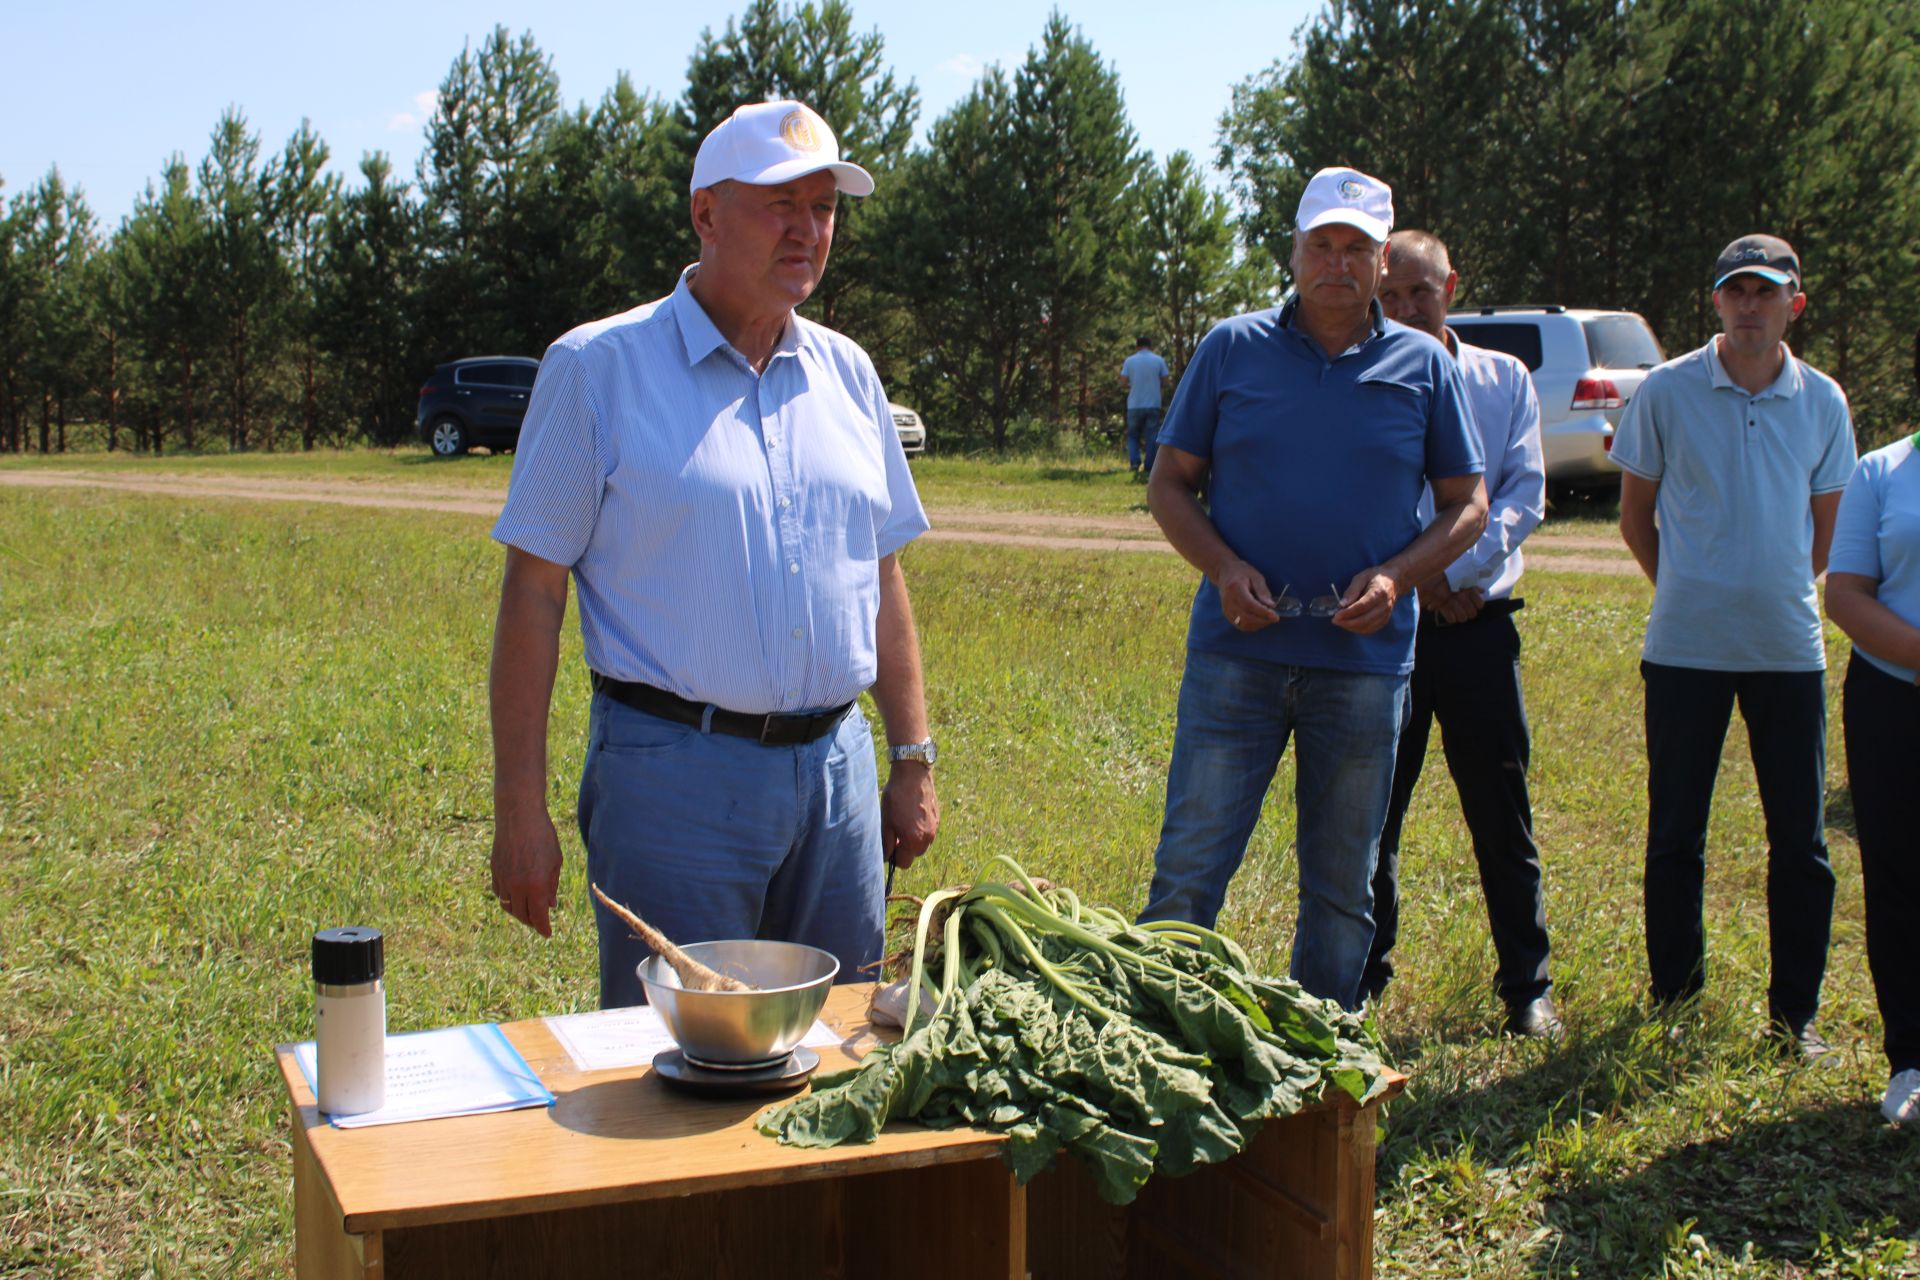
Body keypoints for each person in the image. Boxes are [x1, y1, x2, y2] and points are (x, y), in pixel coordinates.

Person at [487, 100, 940, 1009]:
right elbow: (533, 595)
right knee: (677, 1062)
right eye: (780, 204)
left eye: (823, 208)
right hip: (673, 780)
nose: (807, 230)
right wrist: (518, 809)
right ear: (705, 213)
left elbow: (881, 572)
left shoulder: (849, 374)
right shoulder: (597, 368)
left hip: (836, 778)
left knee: (840, 1044)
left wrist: (911, 759)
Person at [1138, 167, 1489, 1011]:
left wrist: (1400, 577)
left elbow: (1468, 502)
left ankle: (1321, 1064)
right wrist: (1224, 568)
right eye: (1320, 245)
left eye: (1356, 249)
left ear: (1380, 262)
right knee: (1189, 871)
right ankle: (1153, 1037)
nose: (1337, 263)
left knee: (1341, 887)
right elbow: (1170, 484)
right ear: (1293, 254)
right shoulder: (1232, 348)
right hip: (1238, 656)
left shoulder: (1421, 364)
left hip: (1362, 669)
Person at [1611, 234, 1856, 1061]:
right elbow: (1634, 517)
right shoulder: (1668, 391)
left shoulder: (1824, 400)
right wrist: (1689, 588)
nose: (1749, 305)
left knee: (1802, 843)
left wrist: (1769, 584)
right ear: (1714, 300)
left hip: (1789, 650)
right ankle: (1675, 999)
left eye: (1766, 291)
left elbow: (1827, 536)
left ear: (1796, 302)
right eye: (1735, 291)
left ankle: (1796, 1017)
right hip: (1685, 649)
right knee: (1676, 832)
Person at [1364, 229, 1558, 1037]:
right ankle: (1362, 977)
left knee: (1500, 812)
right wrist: (1419, 581)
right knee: (1373, 813)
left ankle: (1528, 988)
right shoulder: (1361, 380)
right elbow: (1358, 498)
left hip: (1479, 624)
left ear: (1452, 285)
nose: (1407, 308)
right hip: (1387, 627)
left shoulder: (1501, 377)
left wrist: (1458, 575)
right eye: (1393, 296)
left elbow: (1522, 492)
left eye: (1422, 292)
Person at [1824, 409, 1920, 1125]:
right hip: (1895, 698)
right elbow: (1847, 593)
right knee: (1900, 877)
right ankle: (1911, 1059)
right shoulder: (1883, 470)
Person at [1121, 336, 1170, 481]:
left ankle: (1135, 462)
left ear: (1137, 346)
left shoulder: (1130, 361)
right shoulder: (1158, 360)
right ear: (1150, 346)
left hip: (1134, 404)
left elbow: (1122, 382)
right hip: (1153, 403)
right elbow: (1166, 381)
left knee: (1133, 435)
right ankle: (1149, 465)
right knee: (1152, 436)